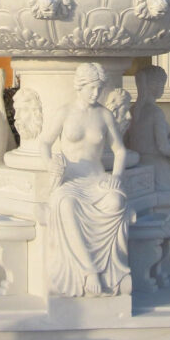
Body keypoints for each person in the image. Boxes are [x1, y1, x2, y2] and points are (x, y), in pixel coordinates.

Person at [39, 63, 131, 297]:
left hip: (97, 180)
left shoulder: (104, 115)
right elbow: (44, 143)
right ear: (80, 86)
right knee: (66, 205)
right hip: (71, 181)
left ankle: (112, 273)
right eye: (91, 88)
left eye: (99, 89)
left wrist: (116, 178)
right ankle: (88, 271)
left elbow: (120, 151)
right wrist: (50, 164)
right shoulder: (65, 112)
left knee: (116, 203)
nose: (96, 93)